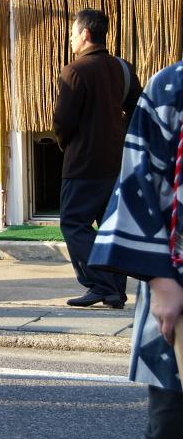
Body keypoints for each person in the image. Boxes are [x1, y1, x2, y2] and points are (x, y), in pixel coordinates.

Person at [88, 60, 183, 437]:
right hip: (176, 279)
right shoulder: (171, 87)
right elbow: (137, 181)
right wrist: (160, 280)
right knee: (171, 422)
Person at [53, 8, 141, 308]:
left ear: (86, 35)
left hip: (83, 163)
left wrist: (68, 145)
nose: (71, 39)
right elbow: (137, 110)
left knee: (73, 223)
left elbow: (63, 122)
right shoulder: (123, 68)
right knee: (109, 226)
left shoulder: (74, 71)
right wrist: (122, 139)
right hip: (117, 162)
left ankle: (99, 284)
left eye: (73, 34)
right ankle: (115, 290)